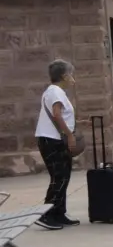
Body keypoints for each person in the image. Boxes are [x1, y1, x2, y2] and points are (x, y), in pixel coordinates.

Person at [34, 59, 80, 230]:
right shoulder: (56, 92)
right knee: (59, 177)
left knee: (64, 176)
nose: (73, 78)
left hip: (52, 138)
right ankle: (46, 213)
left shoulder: (54, 91)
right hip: (51, 139)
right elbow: (56, 114)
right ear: (65, 76)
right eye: (71, 74)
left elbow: (61, 116)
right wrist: (70, 135)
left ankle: (59, 212)